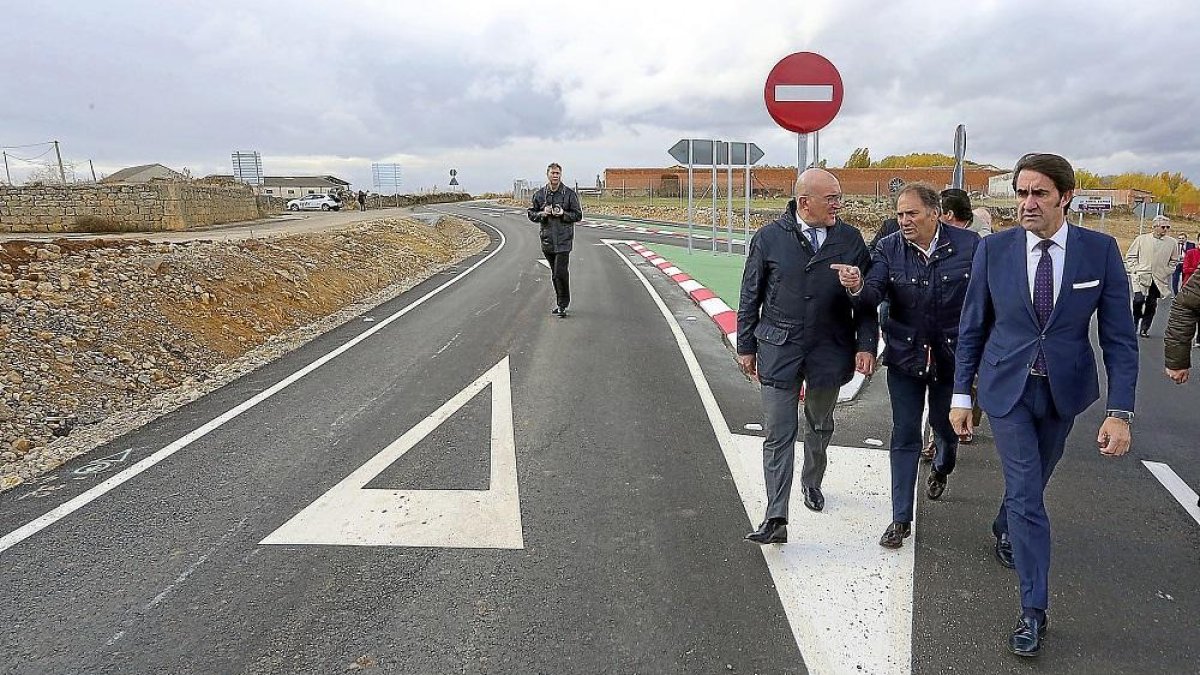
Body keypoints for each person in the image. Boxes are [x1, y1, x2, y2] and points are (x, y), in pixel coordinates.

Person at [950, 153, 1138, 657]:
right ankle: (1034, 611)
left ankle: (1004, 521)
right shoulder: (995, 250)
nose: (1027, 203)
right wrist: (961, 395)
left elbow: (1120, 338)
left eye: (1038, 193)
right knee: (1029, 496)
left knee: (1031, 484)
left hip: (1063, 393)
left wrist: (1119, 413)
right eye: (1021, 193)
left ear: (1065, 196)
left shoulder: (1099, 252)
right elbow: (971, 327)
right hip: (1005, 388)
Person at [833, 183, 979, 549]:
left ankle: (944, 464)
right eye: (899, 214)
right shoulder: (888, 247)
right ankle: (900, 519)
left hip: (952, 358)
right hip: (905, 356)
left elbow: (984, 304)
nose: (903, 221)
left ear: (935, 213)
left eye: (911, 213)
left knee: (945, 428)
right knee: (904, 434)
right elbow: (872, 294)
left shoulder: (971, 247)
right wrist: (855, 285)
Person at [737, 168, 878, 545]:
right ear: (805, 202)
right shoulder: (769, 237)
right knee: (778, 433)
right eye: (831, 197)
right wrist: (746, 346)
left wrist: (866, 340)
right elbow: (751, 294)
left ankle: (812, 482)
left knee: (819, 424)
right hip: (779, 349)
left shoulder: (850, 239)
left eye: (840, 197)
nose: (839, 203)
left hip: (829, 349)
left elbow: (867, 303)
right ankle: (776, 516)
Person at [527, 163, 582, 317]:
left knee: (560, 273)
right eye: (553, 173)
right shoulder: (539, 195)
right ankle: (561, 302)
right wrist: (542, 214)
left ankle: (562, 304)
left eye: (558, 173)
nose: (555, 176)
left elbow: (578, 215)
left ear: (561, 175)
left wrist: (563, 213)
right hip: (547, 241)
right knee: (554, 274)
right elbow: (531, 214)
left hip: (564, 241)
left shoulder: (569, 194)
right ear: (548, 174)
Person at [1125, 215, 1179, 337]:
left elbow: (1174, 261)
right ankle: (1134, 323)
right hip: (1141, 276)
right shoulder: (1141, 239)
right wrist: (1135, 269)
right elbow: (1131, 256)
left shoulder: (1172, 243)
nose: (1165, 229)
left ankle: (1145, 328)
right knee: (1138, 301)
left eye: (1168, 227)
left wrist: (1166, 271)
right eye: (1163, 227)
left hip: (1158, 278)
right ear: (1154, 227)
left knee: (1151, 304)